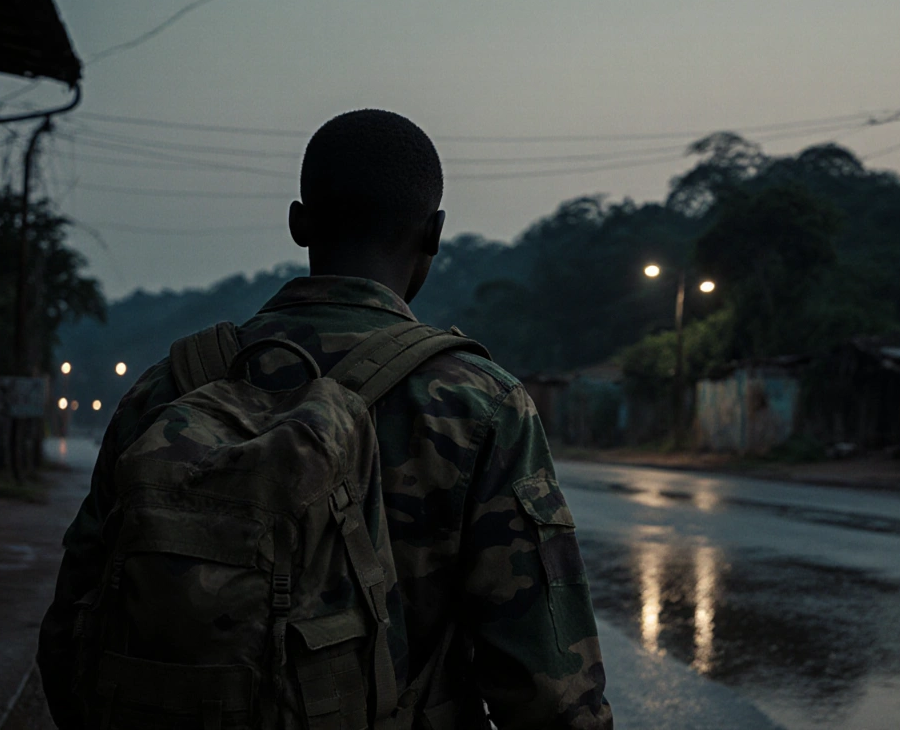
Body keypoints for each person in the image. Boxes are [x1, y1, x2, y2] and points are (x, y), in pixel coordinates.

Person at [37, 109, 613, 729]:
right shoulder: (479, 403)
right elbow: (550, 688)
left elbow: (71, 633)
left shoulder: (170, 387)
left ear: (298, 222)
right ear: (435, 233)